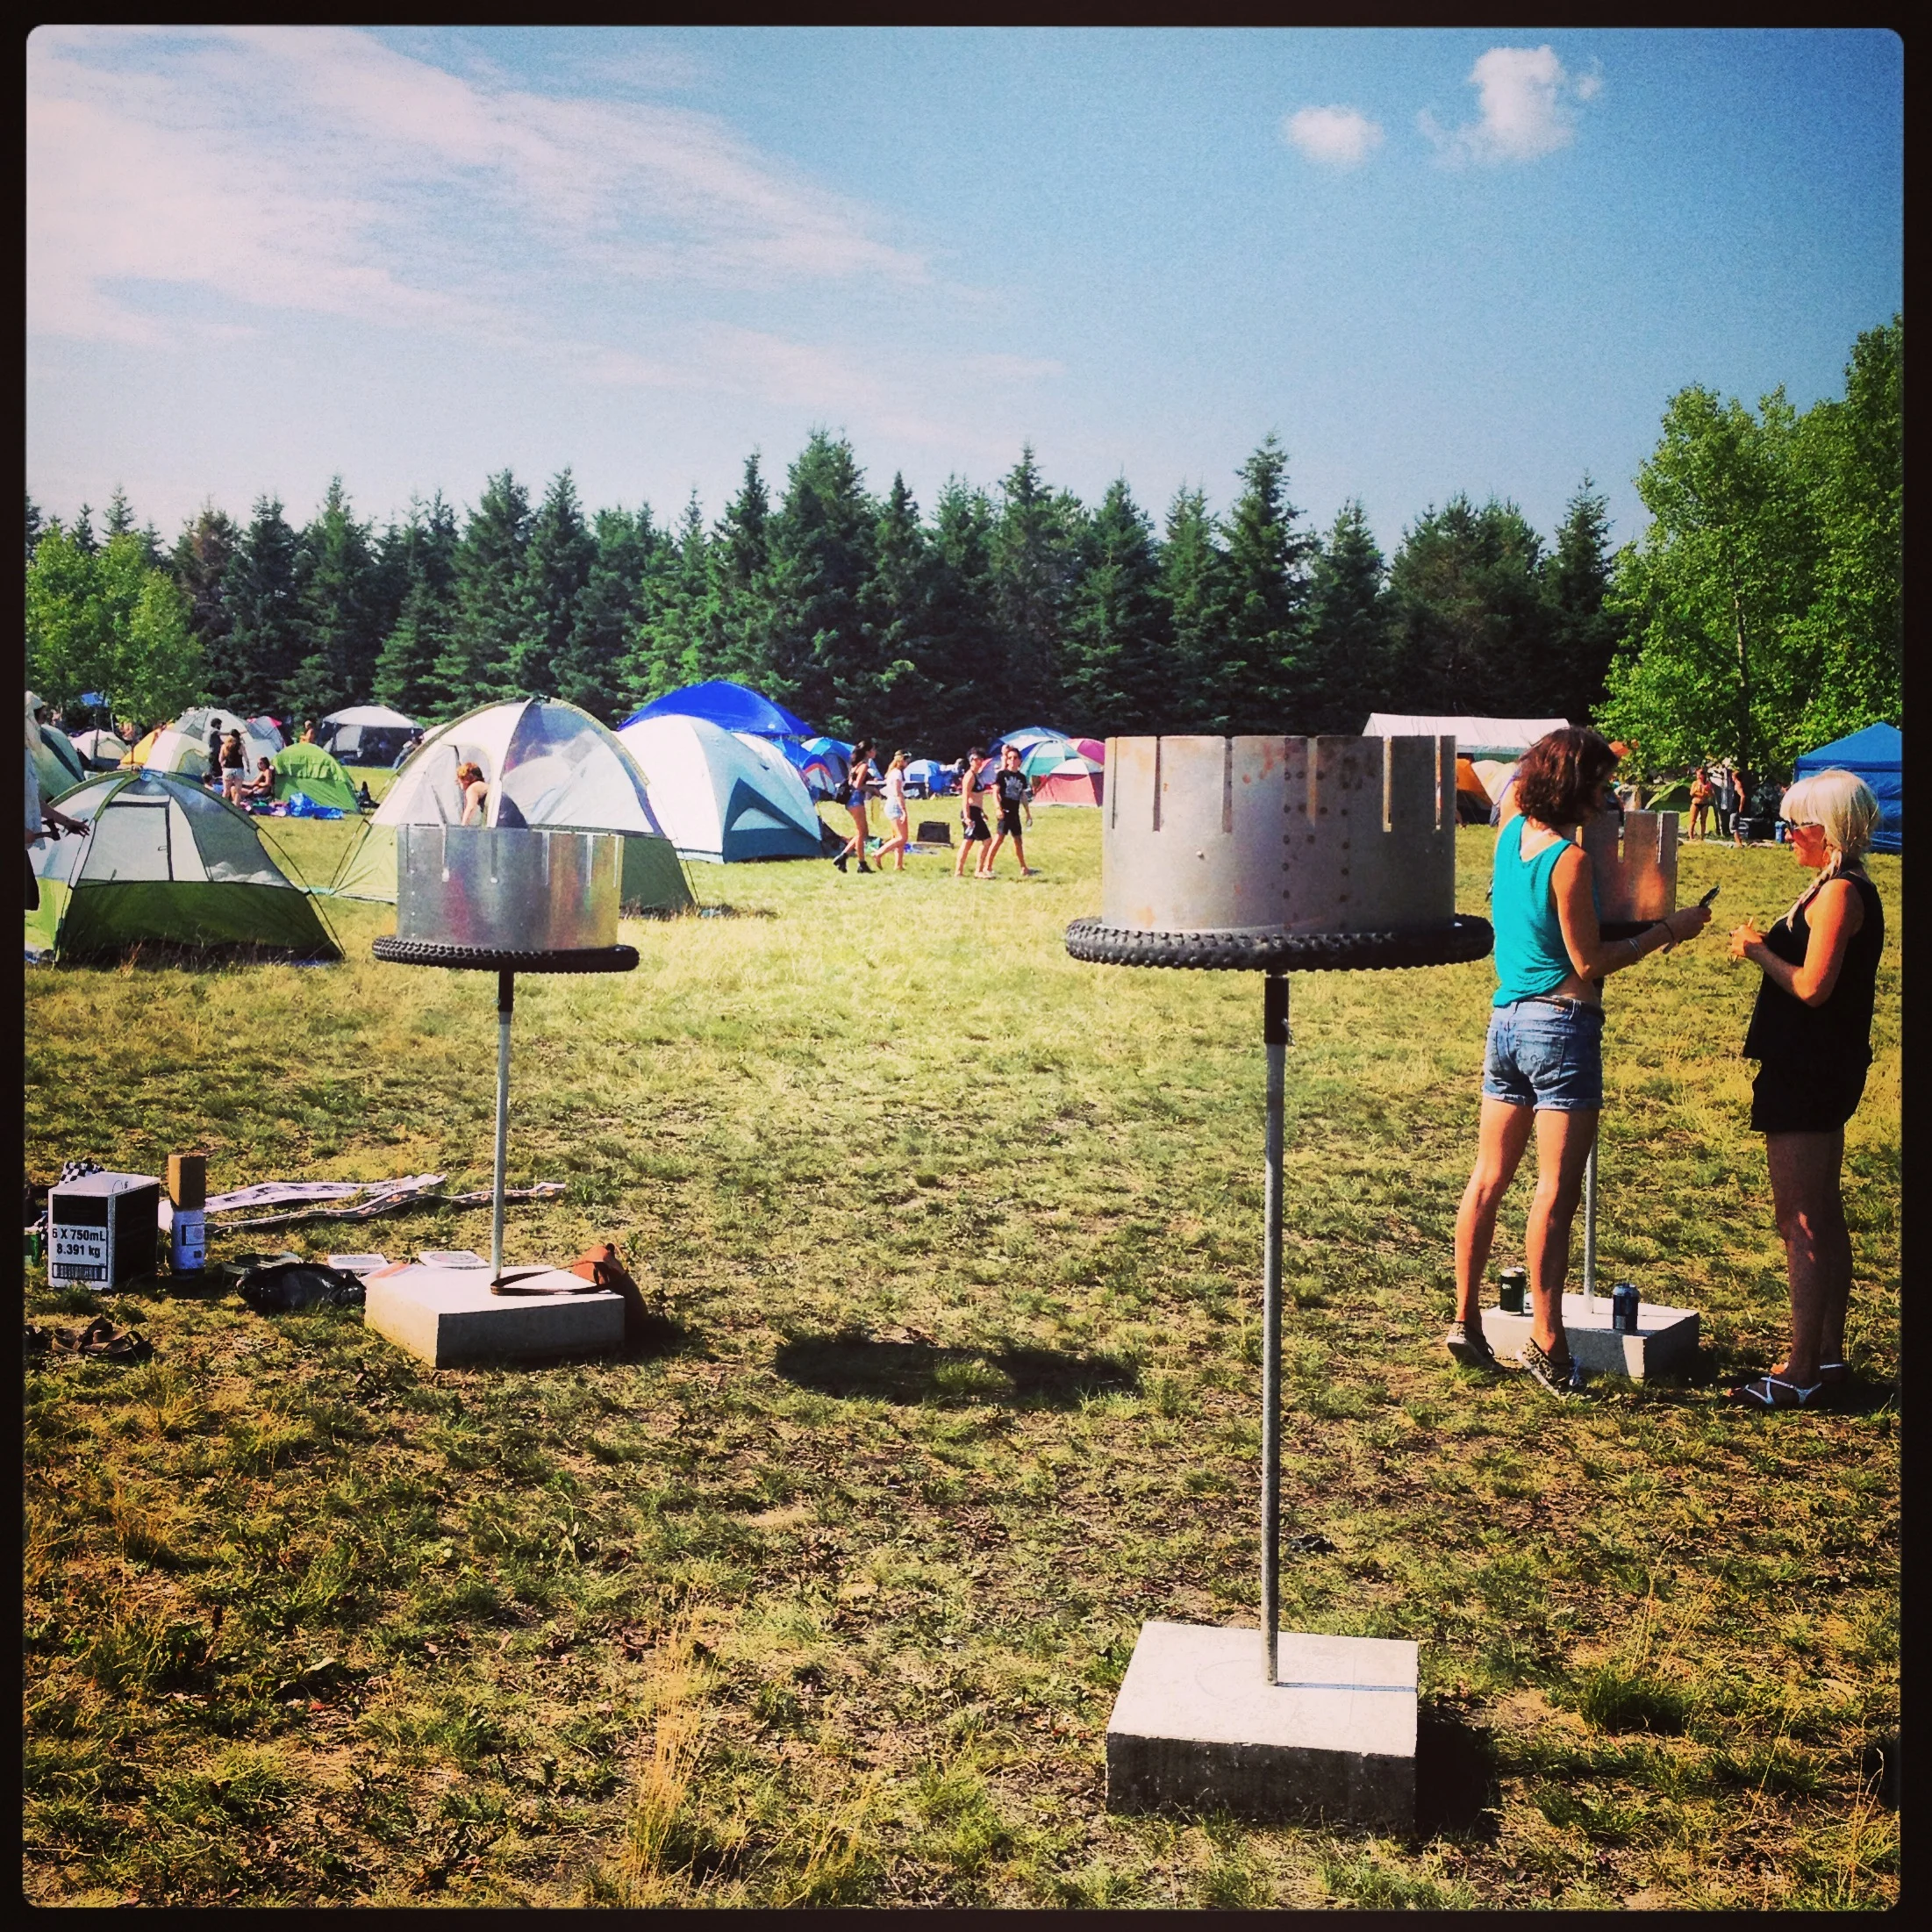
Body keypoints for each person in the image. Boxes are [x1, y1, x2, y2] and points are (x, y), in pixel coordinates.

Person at [1446, 727, 1713, 1395]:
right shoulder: (1570, 861)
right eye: (1600, 782)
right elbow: (1590, 962)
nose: (1609, 795)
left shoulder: (1509, 833)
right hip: (1562, 1025)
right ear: (1577, 785)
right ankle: (1549, 1343)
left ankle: (1463, 1320)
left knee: (1487, 1178)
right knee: (1554, 1193)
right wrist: (1668, 931)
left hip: (1504, 1021)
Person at [1727, 770, 1885, 1410]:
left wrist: (1758, 950)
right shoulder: (1839, 888)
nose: (1790, 834)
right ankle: (1827, 1354)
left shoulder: (1840, 895)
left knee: (1798, 1219)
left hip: (1808, 1068)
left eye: (1801, 825)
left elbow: (1814, 988)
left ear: (1832, 831)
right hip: (1820, 1066)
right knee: (1820, 1210)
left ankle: (1800, 1371)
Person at [25, 691, 86, 911]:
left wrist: (66, 821)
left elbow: (34, 802)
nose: (42, 727)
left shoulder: (26, 756)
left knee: (29, 899)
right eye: (40, 720)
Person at [982, 743, 1035, 877]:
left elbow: (1022, 795)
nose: (1012, 760)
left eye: (1015, 757)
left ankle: (1024, 867)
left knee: (1018, 840)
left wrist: (1028, 812)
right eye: (1010, 757)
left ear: (1019, 761)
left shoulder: (1021, 777)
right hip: (1004, 811)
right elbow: (995, 792)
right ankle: (987, 866)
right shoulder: (1002, 774)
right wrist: (997, 808)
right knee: (999, 839)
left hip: (1015, 812)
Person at [834, 739, 877, 873]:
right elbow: (857, 785)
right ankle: (861, 863)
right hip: (856, 800)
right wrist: (872, 789)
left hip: (850, 801)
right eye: (873, 749)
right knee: (862, 832)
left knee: (861, 832)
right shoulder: (863, 766)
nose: (875, 752)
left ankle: (844, 857)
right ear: (868, 752)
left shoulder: (855, 766)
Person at [954, 747, 992, 877]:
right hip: (971, 812)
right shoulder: (969, 776)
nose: (978, 761)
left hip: (976, 811)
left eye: (980, 759)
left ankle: (959, 871)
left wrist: (982, 811)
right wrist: (967, 817)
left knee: (968, 842)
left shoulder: (978, 776)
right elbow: (965, 797)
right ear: (970, 761)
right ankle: (979, 870)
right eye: (975, 759)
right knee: (987, 840)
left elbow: (978, 797)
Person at [877, 750, 912, 871]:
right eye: (907, 760)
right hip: (895, 805)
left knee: (898, 836)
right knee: (902, 837)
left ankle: (898, 865)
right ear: (901, 760)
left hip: (891, 803)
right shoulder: (897, 774)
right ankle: (879, 854)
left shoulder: (892, 772)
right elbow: (898, 793)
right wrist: (904, 810)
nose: (908, 763)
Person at [455, 760, 489, 826]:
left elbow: (471, 808)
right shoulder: (481, 786)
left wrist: (463, 827)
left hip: (502, 812)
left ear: (466, 779)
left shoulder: (472, 788)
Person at [219, 728, 247, 804]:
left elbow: (220, 759)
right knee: (238, 792)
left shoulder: (224, 746)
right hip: (238, 769)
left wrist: (222, 766)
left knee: (226, 791)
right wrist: (248, 767)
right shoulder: (240, 745)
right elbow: (246, 758)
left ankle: (223, 807)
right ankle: (236, 807)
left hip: (228, 769)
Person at [1688, 764, 1714, 841]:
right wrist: (1697, 789)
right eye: (1697, 775)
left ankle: (1702, 837)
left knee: (1703, 821)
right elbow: (1691, 793)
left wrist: (1707, 790)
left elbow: (1711, 795)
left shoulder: (1708, 784)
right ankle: (1691, 837)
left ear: (1703, 776)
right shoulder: (1695, 783)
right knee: (1693, 820)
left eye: (1700, 775)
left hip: (1704, 804)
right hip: (1695, 803)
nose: (1698, 777)